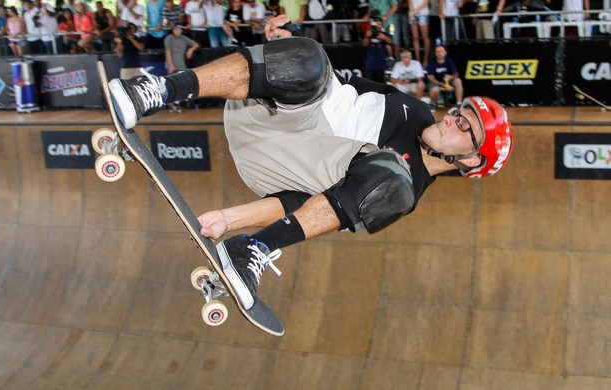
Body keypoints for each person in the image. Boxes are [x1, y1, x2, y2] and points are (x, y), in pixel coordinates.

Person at [106, 14, 513, 311]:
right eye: (460, 110)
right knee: (311, 61)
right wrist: (288, 44)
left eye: (466, 127)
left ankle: (253, 251)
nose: (452, 119)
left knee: (392, 178)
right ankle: (155, 91)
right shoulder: (408, 105)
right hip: (266, 112)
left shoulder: (398, 191)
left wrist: (231, 220)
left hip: (271, 161)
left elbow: (298, 199)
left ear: (471, 161)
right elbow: (328, 78)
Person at [164, 24, 199, 111]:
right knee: (172, 85)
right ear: (173, 30)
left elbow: (195, 44)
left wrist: (190, 50)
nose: (177, 31)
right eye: (175, 29)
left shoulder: (183, 38)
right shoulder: (169, 38)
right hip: (173, 65)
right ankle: (171, 103)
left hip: (181, 66)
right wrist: (171, 65)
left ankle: (175, 103)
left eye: (179, 29)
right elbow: (168, 52)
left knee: (182, 85)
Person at [426, 43, 463, 111]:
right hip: (436, 83)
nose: (439, 53)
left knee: (458, 81)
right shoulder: (431, 62)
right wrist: (444, 85)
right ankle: (432, 104)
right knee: (434, 90)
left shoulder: (449, 60)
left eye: (441, 51)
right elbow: (431, 78)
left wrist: (450, 76)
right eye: (437, 51)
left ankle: (459, 103)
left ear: (445, 52)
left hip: (448, 82)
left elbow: (456, 74)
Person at [362, 18, 392, 82]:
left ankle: (390, 58)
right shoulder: (369, 32)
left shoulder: (384, 33)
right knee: (368, 84)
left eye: (380, 24)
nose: (379, 25)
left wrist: (383, 36)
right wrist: (367, 36)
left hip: (380, 63)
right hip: (370, 64)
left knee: (380, 84)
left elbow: (390, 41)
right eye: (378, 24)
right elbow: (364, 44)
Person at [409, 0, 430, 66]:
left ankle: (425, 60)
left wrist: (414, 11)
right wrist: (411, 12)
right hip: (413, 14)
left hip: (423, 13)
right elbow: (410, 2)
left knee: (425, 37)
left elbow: (425, 3)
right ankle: (418, 60)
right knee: (415, 37)